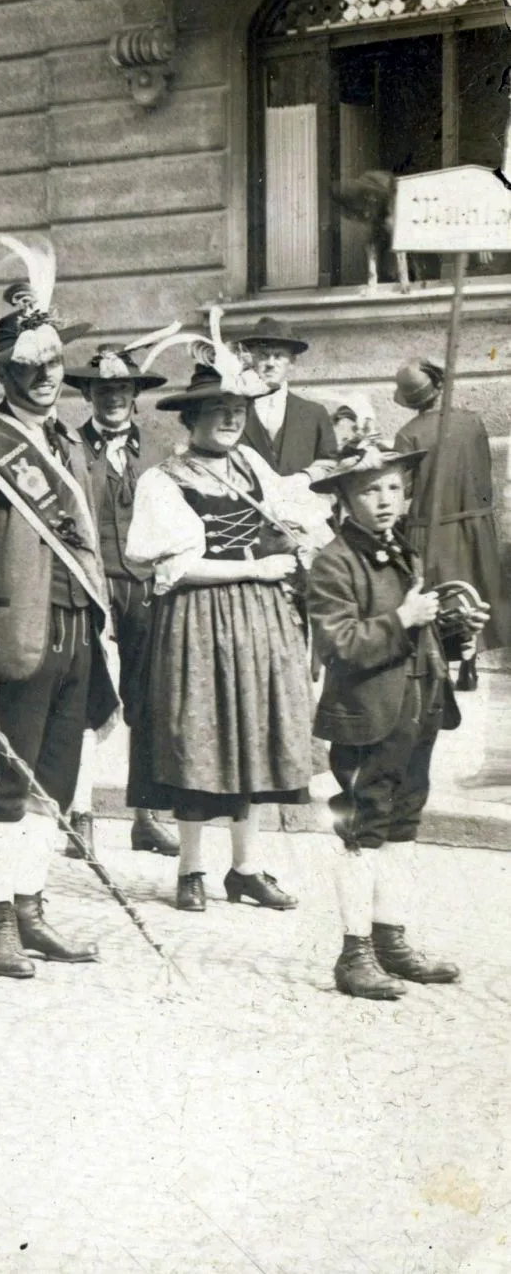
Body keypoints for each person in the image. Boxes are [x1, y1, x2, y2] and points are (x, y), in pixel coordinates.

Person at [0, 241, 115, 980]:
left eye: (52, 368)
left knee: (56, 783)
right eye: (27, 371)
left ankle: (32, 909)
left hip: (73, 633)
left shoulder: (64, 442)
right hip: (19, 641)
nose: (43, 381)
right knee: (9, 786)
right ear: (4, 375)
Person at [124, 350, 327, 913]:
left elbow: (287, 520)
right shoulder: (163, 481)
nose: (231, 418)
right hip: (197, 620)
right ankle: (192, 869)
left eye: (237, 408)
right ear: (190, 420)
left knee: (254, 736)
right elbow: (172, 567)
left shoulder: (253, 469)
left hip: (262, 621)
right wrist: (255, 567)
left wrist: (291, 542)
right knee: (198, 737)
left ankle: (246, 868)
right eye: (217, 409)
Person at [304, 439, 472, 998]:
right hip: (367, 718)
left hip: (418, 709)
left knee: (403, 829)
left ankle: (390, 942)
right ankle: (353, 955)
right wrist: (402, 617)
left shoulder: (403, 550)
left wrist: (455, 627)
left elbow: (422, 633)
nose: (384, 500)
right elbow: (342, 644)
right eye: (370, 489)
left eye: (394, 488)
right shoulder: (333, 562)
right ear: (345, 499)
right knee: (362, 833)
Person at [66, 337, 181, 860]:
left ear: (135, 393)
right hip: (89, 585)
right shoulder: (67, 448)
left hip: (144, 589)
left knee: (149, 703)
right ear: (88, 395)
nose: (112, 397)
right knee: (87, 700)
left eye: (121, 389)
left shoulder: (159, 448)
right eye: (102, 389)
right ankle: (80, 816)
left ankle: (145, 816)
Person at [393, 358, 510, 655]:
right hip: (474, 526)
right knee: (476, 597)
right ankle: (471, 662)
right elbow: (485, 468)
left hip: (433, 531)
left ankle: (449, 659)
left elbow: (403, 489)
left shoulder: (409, 434)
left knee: (443, 601)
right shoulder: (472, 421)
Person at [234, 317, 339, 476]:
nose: (270, 363)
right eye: (263, 355)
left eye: (278, 356)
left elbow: (330, 464)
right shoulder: (233, 411)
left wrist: (305, 479)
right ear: (252, 360)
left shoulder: (314, 413)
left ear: (292, 362)